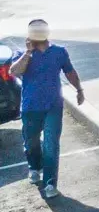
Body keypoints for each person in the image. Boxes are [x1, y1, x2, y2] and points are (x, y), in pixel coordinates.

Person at [13, 19, 83, 201]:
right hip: (30, 107)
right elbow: (14, 71)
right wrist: (28, 52)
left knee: (51, 144)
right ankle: (34, 166)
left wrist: (79, 89)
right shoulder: (22, 53)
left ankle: (50, 183)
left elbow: (70, 72)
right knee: (31, 142)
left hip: (53, 106)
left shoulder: (59, 52)